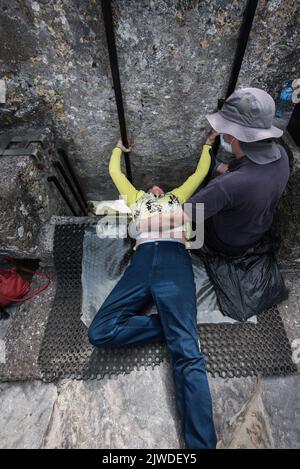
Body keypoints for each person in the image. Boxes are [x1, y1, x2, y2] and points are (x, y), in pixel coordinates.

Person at [88, 137, 217, 449]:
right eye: (152, 189)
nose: (157, 189)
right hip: (143, 260)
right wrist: (117, 147)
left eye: (161, 189)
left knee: (188, 354)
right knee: (99, 332)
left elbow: (198, 175)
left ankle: (202, 445)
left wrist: (207, 147)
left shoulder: (177, 197)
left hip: (174, 257)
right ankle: (171, 328)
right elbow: (115, 173)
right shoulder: (136, 198)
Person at [187, 87, 290, 256]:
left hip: (225, 242)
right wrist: (211, 158)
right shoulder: (281, 155)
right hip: (256, 231)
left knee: (197, 225)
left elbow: (183, 215)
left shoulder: (226, 185)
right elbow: (245, 176)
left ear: (232, 136)